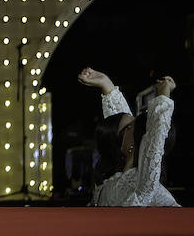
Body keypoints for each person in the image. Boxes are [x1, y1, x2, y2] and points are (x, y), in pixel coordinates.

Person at [77, 67, 179, 207]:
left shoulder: (140, 184)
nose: (132, 121)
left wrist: (106, 85)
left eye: (132, 126)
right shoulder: (130, 183)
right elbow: (151, 131)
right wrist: (164, 92)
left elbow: (154, 133)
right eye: (129, 127)